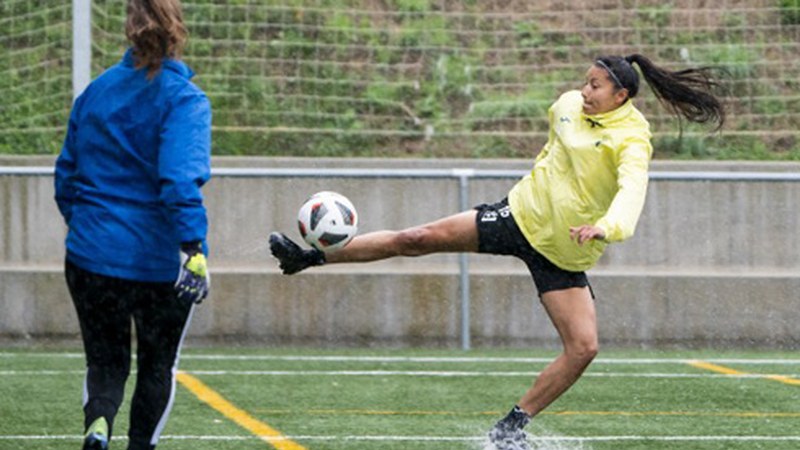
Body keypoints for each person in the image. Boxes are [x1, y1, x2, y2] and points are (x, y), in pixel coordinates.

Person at [269, 53, 724, 450]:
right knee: (417, 239)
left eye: (595, 85)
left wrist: (606, 226)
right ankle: (308, 257)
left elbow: (631, 191)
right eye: (585, 81)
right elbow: (554, 147)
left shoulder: (633, 138)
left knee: (583, 348)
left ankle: (512, 427)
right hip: (517, 217)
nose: (583, 90)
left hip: (564, 251)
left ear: (621, 95)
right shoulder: (567, 104)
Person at [54, 1, 211, 449]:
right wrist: (193, 248)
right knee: (158, 366)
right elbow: (179, 179)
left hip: (89, 256)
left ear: (128, 27)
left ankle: (98, 424)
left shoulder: (96, 93)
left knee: (104, 364)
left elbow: (66, 174)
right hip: (158, 264)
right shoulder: (185, 100)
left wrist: (85, 228)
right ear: (179, 29)